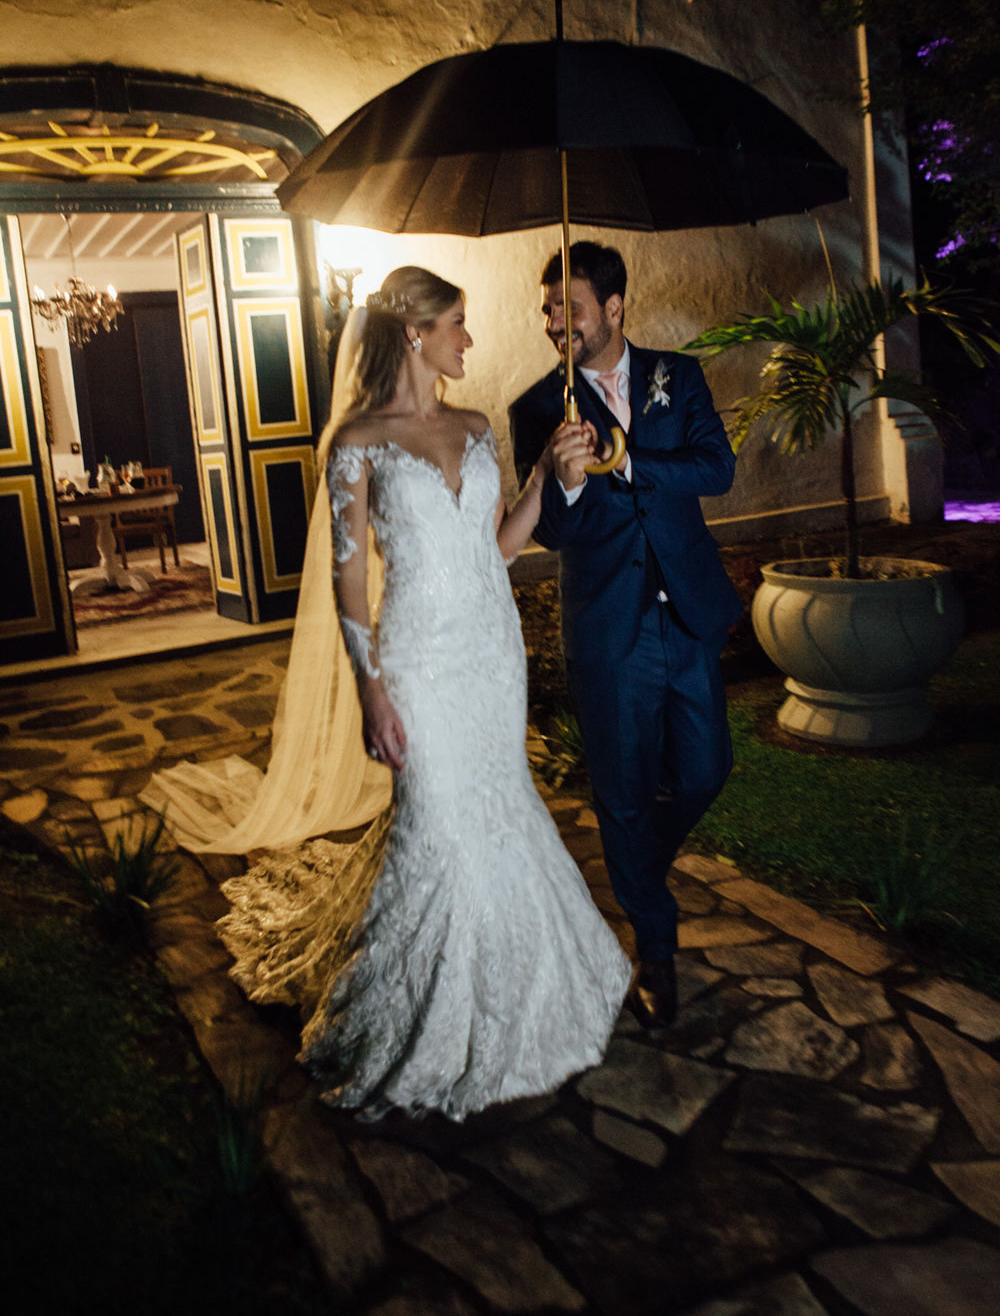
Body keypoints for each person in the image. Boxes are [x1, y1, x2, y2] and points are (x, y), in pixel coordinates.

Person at [212, 265, 631, 1122]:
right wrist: (371, 690)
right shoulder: (355, 443)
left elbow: (501, 547)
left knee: (500, 809)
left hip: (490, 651)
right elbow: (349, 578)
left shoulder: (476, 427)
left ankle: (520, 992)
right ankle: (421, 1019)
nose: (469, 341)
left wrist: (552, 477)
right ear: (415, 334)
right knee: (437, 826)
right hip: (417, 660)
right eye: (458, 325)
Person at [509, 241, 741, 1029]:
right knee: (621, 792)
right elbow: (553, 536)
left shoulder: (681, 377)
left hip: (688, 613)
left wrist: (630, 458)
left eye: (567, 308)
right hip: (609, 629)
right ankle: (656, 946)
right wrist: (568, 481)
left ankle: (637, 864)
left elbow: (717, 468)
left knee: (706, 771)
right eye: (546, 309)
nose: (553, 323)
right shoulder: (538, 408)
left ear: (612, 309)